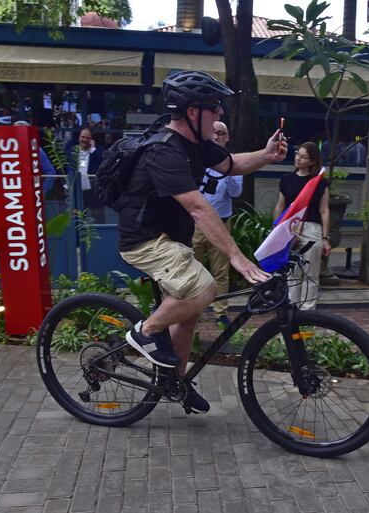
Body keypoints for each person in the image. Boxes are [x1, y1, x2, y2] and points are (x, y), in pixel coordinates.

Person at [119, 70, 286, 413]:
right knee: (203, 289)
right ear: (193, 113)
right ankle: (145, 331)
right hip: (145, 241)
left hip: (171, 239)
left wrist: (267, 155)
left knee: (190, 311)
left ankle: (174, 382)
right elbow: (197, 207)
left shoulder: (195, 146)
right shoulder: (165, 151)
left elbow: (232, 164)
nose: (220, 113)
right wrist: (238, 257)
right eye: (215, 107)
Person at [191, 121, 243, 326]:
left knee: (220, 271)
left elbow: (236, 193)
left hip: (221, 224)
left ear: (227, 137)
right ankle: (191, 310)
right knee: (192, 268)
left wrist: (227, 169)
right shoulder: (196, 159)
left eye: (221, 133)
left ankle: (220, 312)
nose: (216, 137)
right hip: (195, 223)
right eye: (213, 132)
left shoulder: (234, 162)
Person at [272, 142, 330, 310]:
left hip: (312, 228)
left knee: (310, 274)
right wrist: (276, 230)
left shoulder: (319, 183)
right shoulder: (287, 179)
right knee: (292, 273)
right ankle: (291, 310)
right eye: (298, 154)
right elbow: (280, 205)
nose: (298, 158)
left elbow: (324, 210)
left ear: (312, 161)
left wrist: (325, 238)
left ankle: (308, 312)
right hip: (290, 228)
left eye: (303, 156)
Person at [66, 127, 105, 222]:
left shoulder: (97, 151)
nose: (84, 140)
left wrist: (92, 149)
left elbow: (103, 163)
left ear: (92, 139)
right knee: (78, 217)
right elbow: (66, 166)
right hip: (77, 190)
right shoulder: (72, 150)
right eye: (82, 137)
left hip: (93, 191)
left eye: (87, 138)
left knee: (97, 217)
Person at [13, 121, 56, 197]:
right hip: (12, 192)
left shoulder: (36, 150)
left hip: (31, 193)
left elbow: (50, 172)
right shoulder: (7, 150)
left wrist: (43, 191)